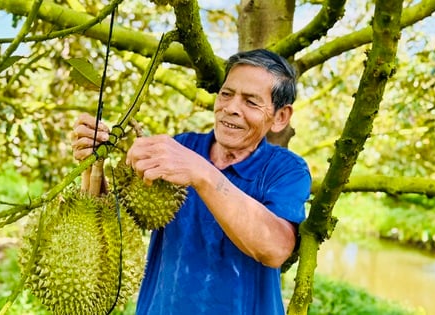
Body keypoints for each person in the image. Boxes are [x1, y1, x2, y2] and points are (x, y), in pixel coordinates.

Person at [71, 49, 311, 315]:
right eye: (226, 94)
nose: (231, 108)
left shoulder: (286, 169)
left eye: (251, 102)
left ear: (280, 117)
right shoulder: (182, 147)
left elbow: (275, 249)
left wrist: (202, 174)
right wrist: (93, 168)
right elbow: (119, 222)